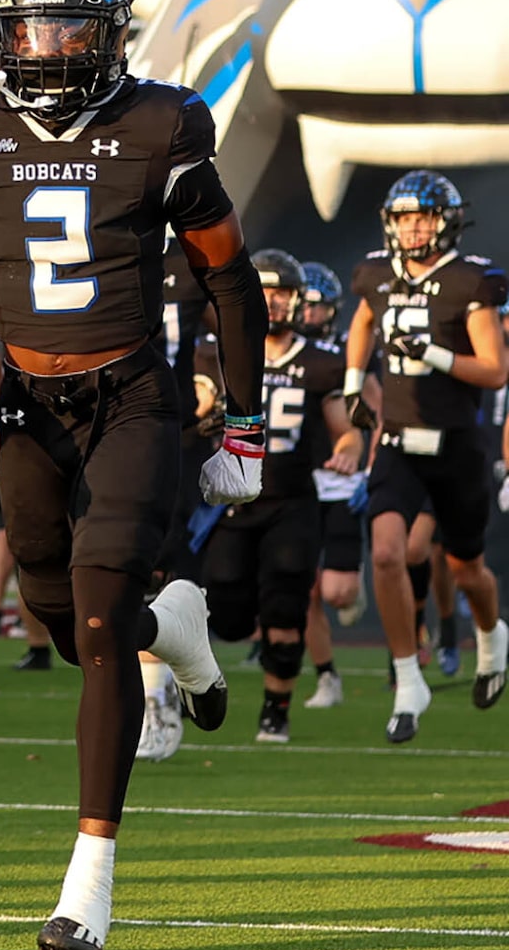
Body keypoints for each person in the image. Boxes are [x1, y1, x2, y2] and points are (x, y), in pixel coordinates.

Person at [0, 0, 254, 950]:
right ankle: (176, 633)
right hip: (28, 404)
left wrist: (242, 420)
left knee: (98, 612)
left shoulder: (160, 122)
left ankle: (87, 881)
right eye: (32, 26)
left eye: (70, 27)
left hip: (133, 394)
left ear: (110, 34)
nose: (50, 47)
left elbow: (226, 278)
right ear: (1, 33)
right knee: (57, 612)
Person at [338, 171, 509, 739]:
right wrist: (353, 381)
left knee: (467, 568)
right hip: (397, 442)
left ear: (447, 221)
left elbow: (495, 370)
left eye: (425, 217)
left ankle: (491, 636)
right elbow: (363, 318)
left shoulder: (471, 281)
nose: (413, 228)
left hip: (457, 444)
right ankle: (409, 677)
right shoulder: (375, 273)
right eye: (405, 217)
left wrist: (434, 353)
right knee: (386, 554)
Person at [195, 250, 347, 745]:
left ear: (299, 300)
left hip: (291, 501)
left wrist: (349, 447)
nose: (272, 302)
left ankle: (275, 712)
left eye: (281, 292)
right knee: (229, 614)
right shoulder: (209, 351)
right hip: (229, 504)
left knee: (286, 605)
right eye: (264, 291)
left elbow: (344, 427)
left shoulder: (321, 362)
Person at [291, 260, 362, 709]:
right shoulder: (275, 347)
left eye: (320, 307)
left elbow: (371, 405)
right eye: (307, 306)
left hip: (338, 481)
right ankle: (327, 675)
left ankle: (354, 586)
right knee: (305, 588)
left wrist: (366, 461)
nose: (313, 315)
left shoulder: (343, 354)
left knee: (337, 592)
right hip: (297, 479)